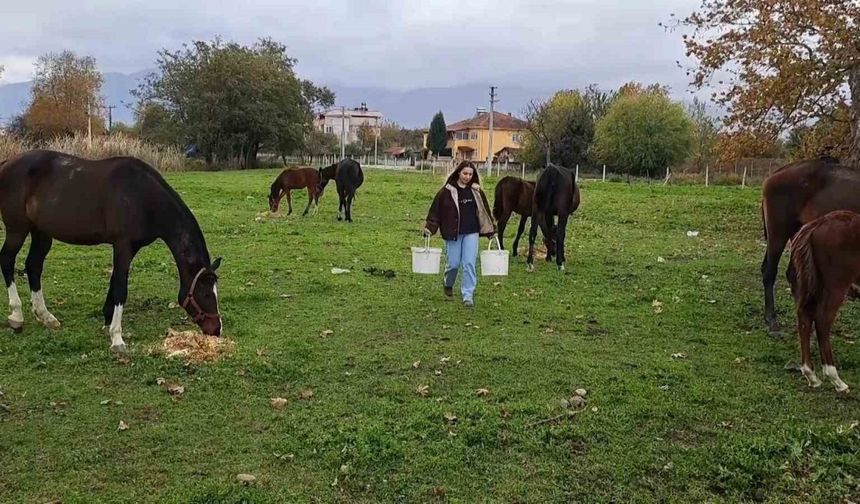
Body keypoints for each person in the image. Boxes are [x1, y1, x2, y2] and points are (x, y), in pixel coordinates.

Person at [424, 161, 496, 307]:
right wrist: (430, 228)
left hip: (472, 232)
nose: (467, 177)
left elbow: (484, 212)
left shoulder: (476, 191)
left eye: (470, 174)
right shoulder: (447, 191)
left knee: (469, 263)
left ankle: (468, 295)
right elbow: (435, 211)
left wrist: (491, 231)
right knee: (454, 263)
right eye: (465, 173)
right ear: (458, 172)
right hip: (453, 233)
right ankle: (448, 282)